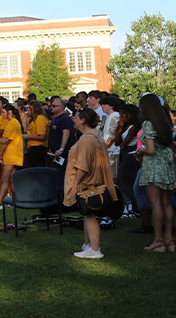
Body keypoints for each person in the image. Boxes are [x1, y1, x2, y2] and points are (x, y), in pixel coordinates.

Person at [64, 108, 115, 259]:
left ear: (83, 120)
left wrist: (75, 182)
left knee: (90, 214)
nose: (73, 119)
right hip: (92, 180)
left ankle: (94, 249)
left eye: (76, 117)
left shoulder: (87, 138)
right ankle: (88, 245)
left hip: (87, 181)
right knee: (87, 213)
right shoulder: (93, 135)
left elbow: (83, 164)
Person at [137, 93, 176, 251]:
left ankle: (158, 239)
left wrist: (140, 151)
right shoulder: (166, 122)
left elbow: (151, 149)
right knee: (166, 203)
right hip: (166, 165)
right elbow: (170, 145)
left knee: (156, 204)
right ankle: (169, 239)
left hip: (153, 166)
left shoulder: (148, 123)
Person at [0, 105, 24, 203]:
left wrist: (0, 155)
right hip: (12, 154)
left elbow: (5, 141)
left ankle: (0, 201)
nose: (2, 114)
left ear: (10, 112)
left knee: (5, 179)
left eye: (3, 112)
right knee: (11, 178)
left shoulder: (12, 123)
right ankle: (15, 199)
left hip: (11, 155)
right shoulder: (13, 123)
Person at [22, 100, 49, 169]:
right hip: (31, 147)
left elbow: (42, 136)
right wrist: (25, 117)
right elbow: (25, 130)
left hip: (38, 147)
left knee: (38, 168)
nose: (27, 110)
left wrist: (27, 136)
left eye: (29, 108)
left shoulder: (40, 118)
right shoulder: (31, 119)